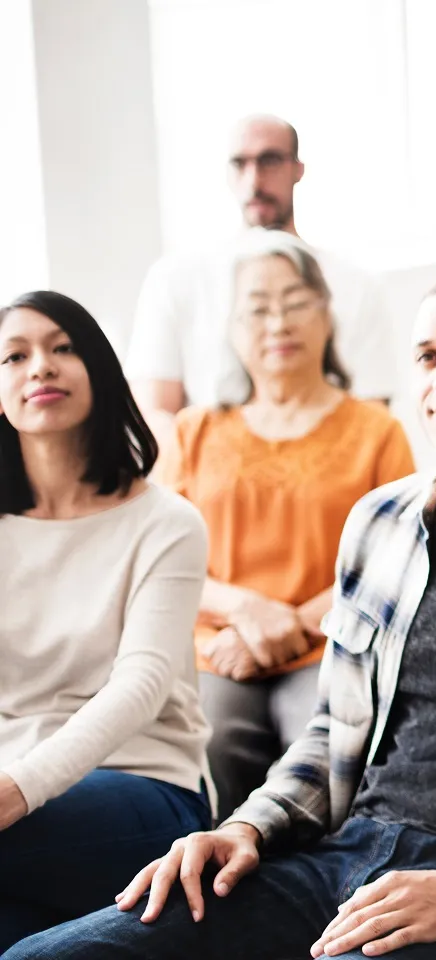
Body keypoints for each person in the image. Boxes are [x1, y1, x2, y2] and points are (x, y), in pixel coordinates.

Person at [8, 270, 436, 960]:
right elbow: (330, 735)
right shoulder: (380, 525)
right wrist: (245, 828)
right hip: (338, 858)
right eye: (429, 357)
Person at [161, 231, 415, 819]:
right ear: (231, 329)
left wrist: (290, 625)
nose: (278, 322)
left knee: (323, 746)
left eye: (295, 302)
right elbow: (162, 563)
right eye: (257, 308)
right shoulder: (193, 432)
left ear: (327, 315)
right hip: (219, 648)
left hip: (333, 642)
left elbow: (397, 561)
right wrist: (248, 616)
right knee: (215, 740)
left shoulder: (375, 431)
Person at [0, 292, 211, 950]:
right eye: (16, 354)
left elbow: (140, 685)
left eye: (63, 348)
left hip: (144, 786)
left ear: (100, 371)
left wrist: (15, 790)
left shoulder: (165, 522)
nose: (41, 367)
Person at [127, 114, 399, 431]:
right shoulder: (173, 280)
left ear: (298, 169)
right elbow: (154, 413)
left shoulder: (356, 285)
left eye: (269, 160)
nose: (254, 180)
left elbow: (373, 415)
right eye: (239, 164)